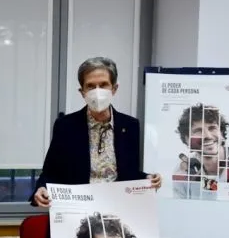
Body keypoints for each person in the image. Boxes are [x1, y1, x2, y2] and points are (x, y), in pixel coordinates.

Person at [31, 57, 161, 208]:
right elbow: (51, 171)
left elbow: (128, 174)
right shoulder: (65, 126)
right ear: (82, 92)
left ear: (114, 89)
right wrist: (42, 188)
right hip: (76, 210)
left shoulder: (130, 125)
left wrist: (148, 179)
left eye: (103, 85)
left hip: (117, 210)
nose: (97, 91)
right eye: (91, 86)